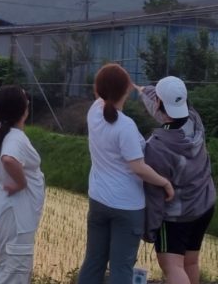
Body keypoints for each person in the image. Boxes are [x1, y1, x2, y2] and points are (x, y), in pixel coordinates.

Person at [77, 63, 173, 284]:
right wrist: (165, 183)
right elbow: (138, 168)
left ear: (98, 90)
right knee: (121, 268)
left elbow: (102, 93)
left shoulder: (94, 112)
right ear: (127, 90)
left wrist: (123, 85)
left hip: (98, 200)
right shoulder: (125, 126)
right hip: (127, 207)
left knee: (93, 261)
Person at [135, 77, 216, 284]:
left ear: (159, 103)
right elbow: (163, 107)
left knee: (173, 268)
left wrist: (149, 230)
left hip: (177, 216)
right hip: (204, 205)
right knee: (190, 263)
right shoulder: (194, 119)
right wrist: (142, 89)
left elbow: (155, 195)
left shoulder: (157, 146)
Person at [0, 85, 45, 284]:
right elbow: (9, 159)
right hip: (16, 217)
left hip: (5, 210)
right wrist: (21, 183)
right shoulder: (15, 138)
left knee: (7, 270)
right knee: (14, 275)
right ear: (22, 110)